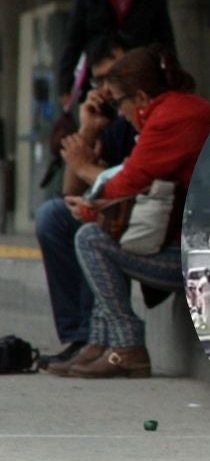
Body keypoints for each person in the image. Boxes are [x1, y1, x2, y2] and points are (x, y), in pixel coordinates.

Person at [49, 45, 210, 378]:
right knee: (91, 227)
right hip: (185, 241)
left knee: (92, 239)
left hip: (200, 257)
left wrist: (83, 167)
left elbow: (122, 186)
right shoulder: (173, 110)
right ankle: (98, 342)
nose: (117, 112)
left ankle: (127, 345)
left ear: (140, 97)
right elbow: (91, 189)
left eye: (116, 101)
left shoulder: (173, 119)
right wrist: (87, 139)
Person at [36, 35, 135, 370]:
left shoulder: (142, 114)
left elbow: (133, 185)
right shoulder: (107, 120)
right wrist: (89, 131)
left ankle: (106, 338)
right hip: (114, 212)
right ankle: (81, 336)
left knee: (91, 228)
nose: (107, 89)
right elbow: (70, 192)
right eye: (100, 80)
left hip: (143, 219)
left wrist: (87, 168)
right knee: (53, 216)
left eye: (114, 77)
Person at [58, 0, 176, 114]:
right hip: (99, 73)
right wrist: (66, 85)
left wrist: (170, 75)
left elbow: (165, 38)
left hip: (136, 74)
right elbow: (73, 42)